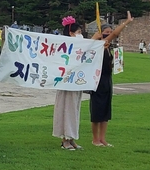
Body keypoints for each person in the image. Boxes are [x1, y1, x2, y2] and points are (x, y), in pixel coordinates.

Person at [87, 13, 133, 147]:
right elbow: (115, 34)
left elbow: (107, 65)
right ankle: (95, 139)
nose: (109, 35)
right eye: (107, 33)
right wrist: (126, 22)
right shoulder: (98, 46)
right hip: (97, 81)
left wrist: (116, 64)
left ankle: (102, 138)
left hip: (107, 81)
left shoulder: (108, 48)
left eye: (110, 33)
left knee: (106, 111)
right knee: (97, 112)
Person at [52, 16, 85, 151]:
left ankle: (71, 137)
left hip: (76, 82)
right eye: (78, 32)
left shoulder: (80, 47)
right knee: (66, 109)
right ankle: (64, 138)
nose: (80, 35)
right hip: (66, 82)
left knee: (74, 109)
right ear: (71, 33)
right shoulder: (64, 46)